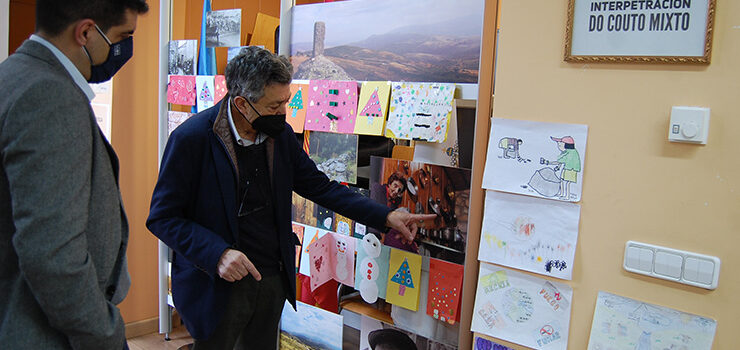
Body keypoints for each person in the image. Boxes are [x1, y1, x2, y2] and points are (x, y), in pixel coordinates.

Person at [147, 46, 435, 350]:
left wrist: (385, 216)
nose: (284, 113)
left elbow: (321, 187)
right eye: (274, 106)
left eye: (285, 102)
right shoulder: (192, 139)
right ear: (242, 104)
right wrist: (217, 253)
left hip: (270, 279)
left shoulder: (280, 137)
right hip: (216, 286)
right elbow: (163, 218)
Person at [0, 1, 149, 349]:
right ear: (85, 32)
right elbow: (52, 255)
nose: (125, 49)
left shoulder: (14, 74)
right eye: (122, 36)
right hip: (45, 331)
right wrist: (106, 333)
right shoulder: (49, 94)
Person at [542, 136, 581, 200]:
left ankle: (567, 196)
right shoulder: (567, 152)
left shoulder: (570, 153)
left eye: (560, 145)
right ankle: (562, 193)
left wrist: (547, 162)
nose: (558, 146)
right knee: (562, 180)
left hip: (571, 169)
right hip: (566, 168)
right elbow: (562, 161)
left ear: (567, 145)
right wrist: (558, 167)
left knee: (567, 182)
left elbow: (559, 161)